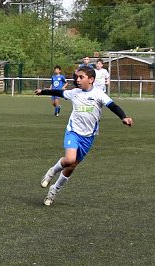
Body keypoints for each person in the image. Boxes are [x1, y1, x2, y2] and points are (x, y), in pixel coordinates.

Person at [35, 66, 133, 206]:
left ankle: (54, 190)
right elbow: (59, 92)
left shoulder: (99, 94)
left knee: (72, 166)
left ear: (91, 79)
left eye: (81, 77)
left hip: (88, 137)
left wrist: (124, 117)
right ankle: (52, 171)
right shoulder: (75, 93)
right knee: (69, 159)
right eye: (77, 77)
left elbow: (113, 106)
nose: (78, 80)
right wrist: (43, 91)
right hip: (73, 132)